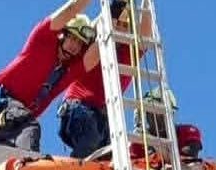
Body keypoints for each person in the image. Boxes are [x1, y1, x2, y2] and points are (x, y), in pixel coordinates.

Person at [0, 0, 101, 152]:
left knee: (14, 147)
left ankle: (20, 167)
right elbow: (71, 9)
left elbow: (98, 50)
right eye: (72, 38)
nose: (74, 46)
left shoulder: (67, 71)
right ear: (62, 35)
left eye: (80, 43)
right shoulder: (42, 41)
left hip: (13, 120)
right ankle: (28, 167)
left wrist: (116, 10)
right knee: (30, 127)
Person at [58, 0, 154, 158]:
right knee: (90, 140)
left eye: (125, 26)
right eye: (118, 24)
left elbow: (144, 35)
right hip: (78, 107)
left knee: (111, 157)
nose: (120, 29)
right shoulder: (97, 44)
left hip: (103, 116)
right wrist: (116, 8)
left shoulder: (127, 54)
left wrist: (147, 3)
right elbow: (100, 27)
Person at [129, 88, 204, 162]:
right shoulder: (140, 141)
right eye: (150, 112)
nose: (154, 117)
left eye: (160, 114)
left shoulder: (186, 133)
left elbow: (191, 160)